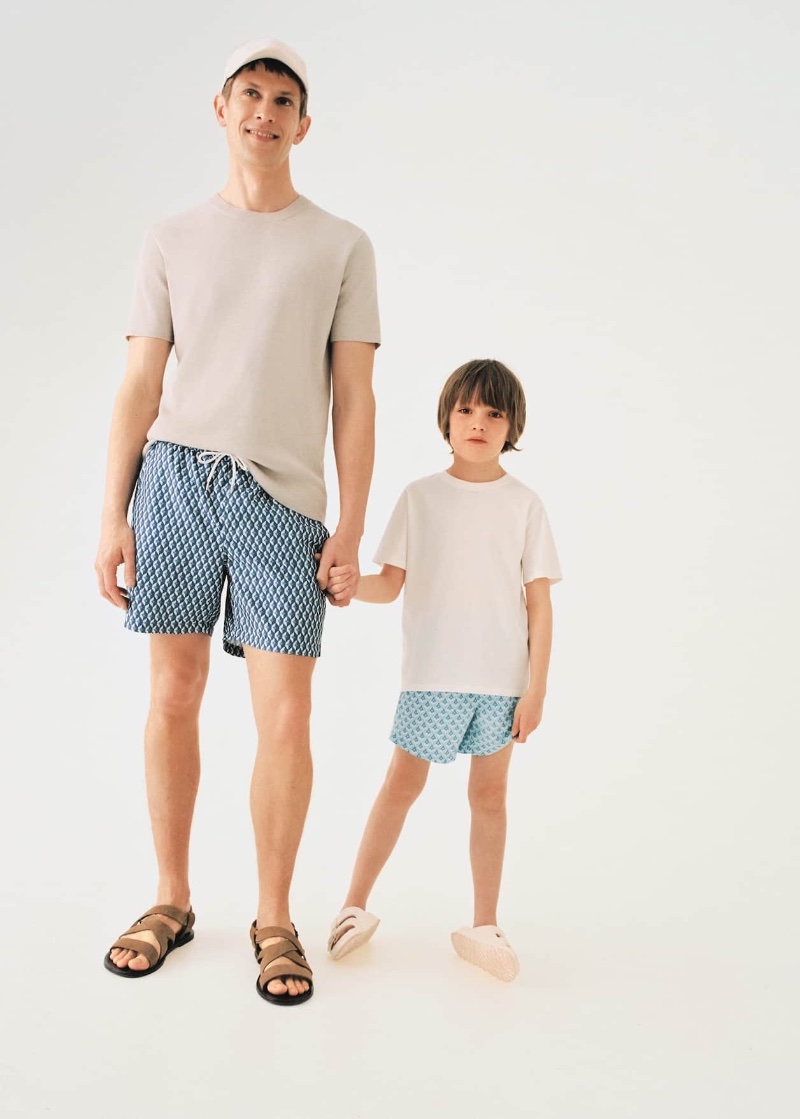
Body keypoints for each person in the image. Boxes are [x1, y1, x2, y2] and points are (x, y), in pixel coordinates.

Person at [94, 38, 380, 1006]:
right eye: (249, 93)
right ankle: (170, 900)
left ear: (304, 125)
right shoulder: (170, 237)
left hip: (283, 501)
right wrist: (111, 513)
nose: (264, 110)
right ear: (219, 108)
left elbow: (355, 397)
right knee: (172, 697)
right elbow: (141, 381)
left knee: (285, 713)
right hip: (172, 483)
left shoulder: (339, 243)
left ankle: (273, 917)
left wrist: (348, 525)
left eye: (283, 98)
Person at [326, 359, 561, 981]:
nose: (478, 423)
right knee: (400, 787)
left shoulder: (525, 504)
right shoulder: (420, 497)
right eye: (466, 410)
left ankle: (484, 922)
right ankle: (354, 905)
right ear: (446, 418)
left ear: (511, 426)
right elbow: (390, 584)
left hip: (501, 684)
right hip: (431, 676)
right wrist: (349, 587)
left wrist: (535, 689)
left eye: (493, 413)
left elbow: (539, 603)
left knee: (490, 798)